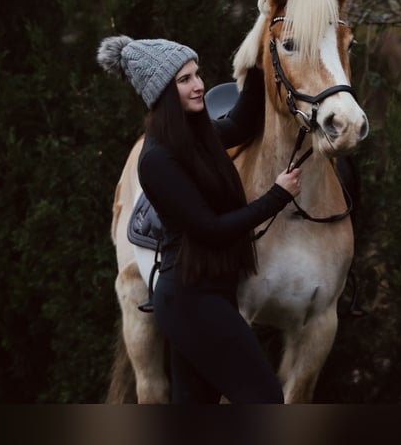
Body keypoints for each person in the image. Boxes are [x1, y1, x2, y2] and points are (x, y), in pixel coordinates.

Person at [97, 35, 301, 404]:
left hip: (209, 295)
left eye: (197, 74)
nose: (199, 85)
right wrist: (278, 195)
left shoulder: (197, 134)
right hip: (189, 300)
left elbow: (239, 124)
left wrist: (258, 61)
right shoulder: (157, 159)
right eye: (185, 79)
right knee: (265, 398)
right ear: (161, 92)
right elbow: (211, 229)